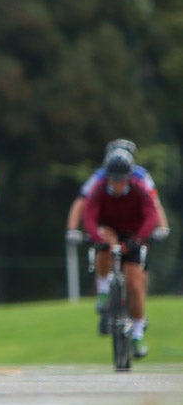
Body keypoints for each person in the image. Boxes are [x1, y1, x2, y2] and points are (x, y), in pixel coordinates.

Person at [65, 138, 170, 311]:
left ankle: (136, 320)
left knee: (136, 276)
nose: (117, 183)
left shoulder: (141, 177)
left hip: (134, 229)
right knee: (105, 245)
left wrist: (162, 227)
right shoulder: (100, 178)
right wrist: (72, 229)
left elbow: (153, 205)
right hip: (109, 227)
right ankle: (104, 289)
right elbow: (83, 203)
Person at [82, 148, 158, 358]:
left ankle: (136, 332)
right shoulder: (98, 189)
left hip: (133, 236)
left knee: (135, 283)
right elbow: (89, 214)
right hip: (110, 231)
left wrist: (138, 240)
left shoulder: (140, 189)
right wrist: (97, 239)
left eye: (121, 180)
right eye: (113, 180)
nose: (116, 185)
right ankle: (104, 290)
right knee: (105, 240)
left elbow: (151, 215)